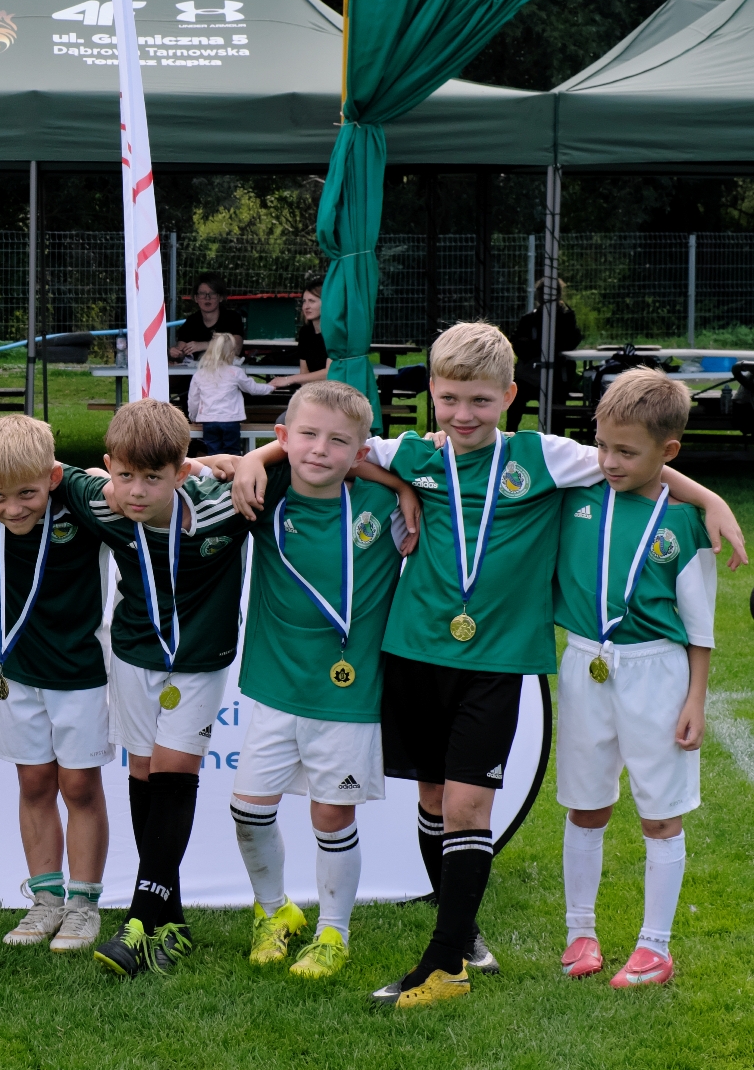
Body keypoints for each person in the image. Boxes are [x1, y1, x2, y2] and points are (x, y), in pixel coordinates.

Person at [232, 321, 742, 1007]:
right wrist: (257, 457)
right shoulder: (415, 453)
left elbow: (636, 459)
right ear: (431, 395)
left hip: (496, 661)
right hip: (413, 654)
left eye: (478, 400)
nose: (462, 414)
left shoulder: (544, 455)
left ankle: (444, 965)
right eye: (448, 399)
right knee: (434, 800)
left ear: (507, 396)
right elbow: (329, 443)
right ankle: (465, 936)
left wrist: (708, 497)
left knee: (469, 804)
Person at [228, 382, 416, 980]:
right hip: (277, 687)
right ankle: (274, 911)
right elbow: (197, 467)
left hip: (349, 695)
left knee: (332, 817)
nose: (319, 449)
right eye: (306, 435)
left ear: (360, 452)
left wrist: (402, 486)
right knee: (248, 811)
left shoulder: (382, 504)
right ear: (284, 437)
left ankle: (334, 933)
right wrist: (254, 459)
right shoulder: (264, 495)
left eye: (338, 441)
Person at [554, 369, 715, 988]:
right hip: (584, 662)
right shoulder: (576, 496)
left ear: (667, 452)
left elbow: (700, 626)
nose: (609, 462)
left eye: (626, 451)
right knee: (585, 804)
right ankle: (580, 931)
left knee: (660, 813)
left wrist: (695, 698)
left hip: (658, 671)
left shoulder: (685, 523)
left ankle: (655, 947)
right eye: (602, 446)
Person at [89, 399, 252, 978]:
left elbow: (307, 455)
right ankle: (172, 921)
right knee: (143, 773)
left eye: (153, 479)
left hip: (199, 662)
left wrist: (249, 459)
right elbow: (30, 464)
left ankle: (137, 920)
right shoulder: (101, 501)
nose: (136, 492)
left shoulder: (226, 507)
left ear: (181, 473)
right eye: (124, 475)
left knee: (175, 772)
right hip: (133, 655)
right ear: (109, 466)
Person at [0, 415, 114, 953]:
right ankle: (46, 899)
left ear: (52, 476)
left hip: (79, 672)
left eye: (27, 493)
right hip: (14, 670)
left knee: (80, 787)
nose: (12, 509)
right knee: (35, 784)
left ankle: (84, 905)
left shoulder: (82, 499)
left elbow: (141, 481)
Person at [506, 277, 580, 433]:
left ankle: (556, 438)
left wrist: (536, 345)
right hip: (530, 377)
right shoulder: (529, 319)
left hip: (556, 377)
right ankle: (510, 433)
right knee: (516, 394)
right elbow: (517, 345)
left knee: (557, 402)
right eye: (541, 292)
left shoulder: (566, 318)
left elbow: (569, 342)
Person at [187, 332, 271, 457]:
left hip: (208, 420)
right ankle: (234, 469)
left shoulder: (199, 374)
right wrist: (270, 387)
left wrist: (193, 416)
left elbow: (193, 400)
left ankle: (215, 469)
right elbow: (253, 389)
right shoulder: (235, 372)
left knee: (214, 454)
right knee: (233, 452)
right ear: (231, 353)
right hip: (231, 420)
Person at [268, 274, 328, 390]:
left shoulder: (336, 333)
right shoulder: (305, 332)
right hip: (314, 392)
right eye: (304, 301)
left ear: (326, 303)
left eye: (312, 301)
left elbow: (330, 372)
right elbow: (304, 374)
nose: (306, 306)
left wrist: (289, 379)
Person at [169, 273, 246, 363]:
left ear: (220, 297)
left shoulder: (232, 318)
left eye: (212, 293)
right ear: (196, 298)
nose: (207, 298)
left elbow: (236, 348)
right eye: (202, 294)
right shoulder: (191, 321)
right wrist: (176, 353)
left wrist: (205, 345)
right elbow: (181, 350)